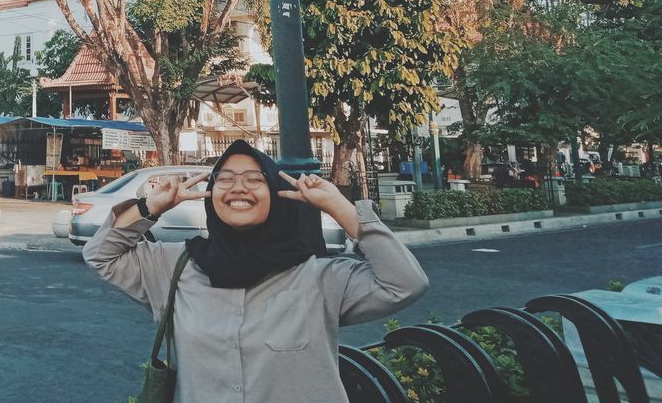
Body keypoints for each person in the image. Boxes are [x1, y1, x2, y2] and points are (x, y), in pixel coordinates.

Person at [83, 140, 428, 403]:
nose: (238, 188)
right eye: (225, 179)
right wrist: (151, 205)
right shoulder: (174, 267)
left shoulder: (319, 276)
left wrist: (339, 206)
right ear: (211, 195)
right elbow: (101, 255)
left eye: (254, 179)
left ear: (275, 195)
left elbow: (404, 284)